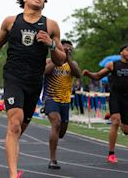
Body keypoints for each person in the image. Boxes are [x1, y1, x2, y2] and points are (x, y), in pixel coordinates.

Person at [0, 0, 66, 178]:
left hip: (34, 82)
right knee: (14, 125)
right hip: (13, 77)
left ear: (44, 1)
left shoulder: (51, 25)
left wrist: (50, 44)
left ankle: (12, 145)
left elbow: (61, 59)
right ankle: (13, 174)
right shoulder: (11, 21)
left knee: (18, 130)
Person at [83, 44, 128, 163]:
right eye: (127, 50)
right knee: (115, 121)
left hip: (127, 99)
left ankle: (116, 116)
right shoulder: (113, 65)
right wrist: (88, 74)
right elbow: (98, 76)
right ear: (121, 52)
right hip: (115, 96)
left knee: (126, 130)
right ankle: (111, 154)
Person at [43, 39, 81, 169]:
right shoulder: (50, 61)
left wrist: (68, 58)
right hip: (51, 98)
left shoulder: (72, 63)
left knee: (62, 132)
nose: (67, 50)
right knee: (56, 123)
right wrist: (57, 59)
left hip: (65, 101)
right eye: (65, 48)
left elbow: (78, 74)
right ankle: (53, 160)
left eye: (70, 49)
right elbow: (44, 72)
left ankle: (54, 137)